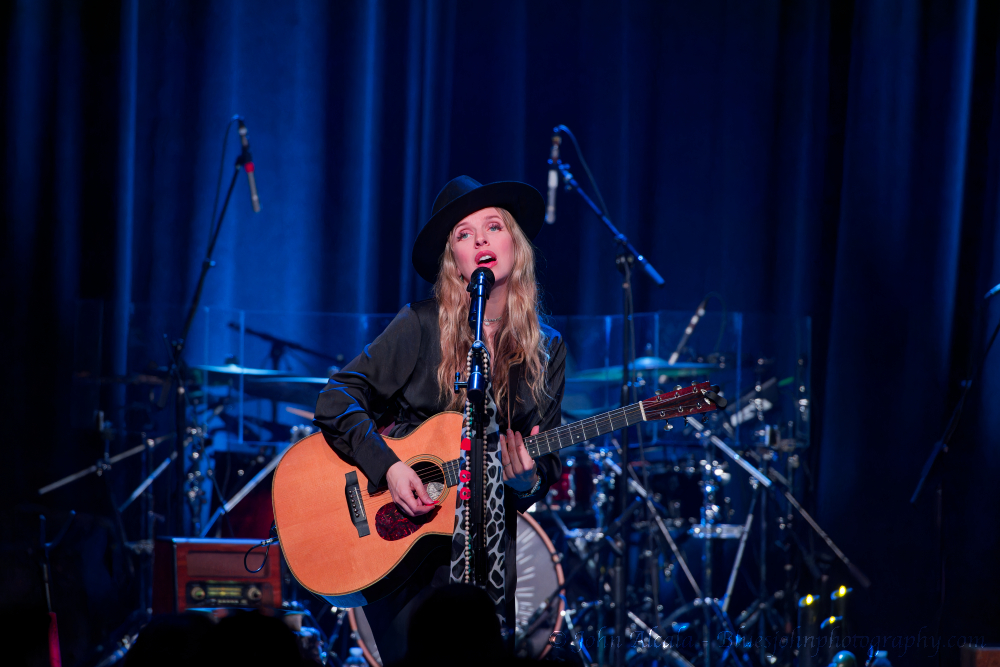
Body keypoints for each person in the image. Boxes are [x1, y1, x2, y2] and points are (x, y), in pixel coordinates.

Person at [313, 176, 565, 664]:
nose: (482, 241)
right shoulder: (420, 324)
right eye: (464, 235)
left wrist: (528, 479)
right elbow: (337, 395)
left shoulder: (547, 349)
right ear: (454, 260)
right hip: (403, 546)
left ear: (516, 244)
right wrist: (388, 465)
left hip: (491, 554)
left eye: (494, 227)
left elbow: (543, 463)